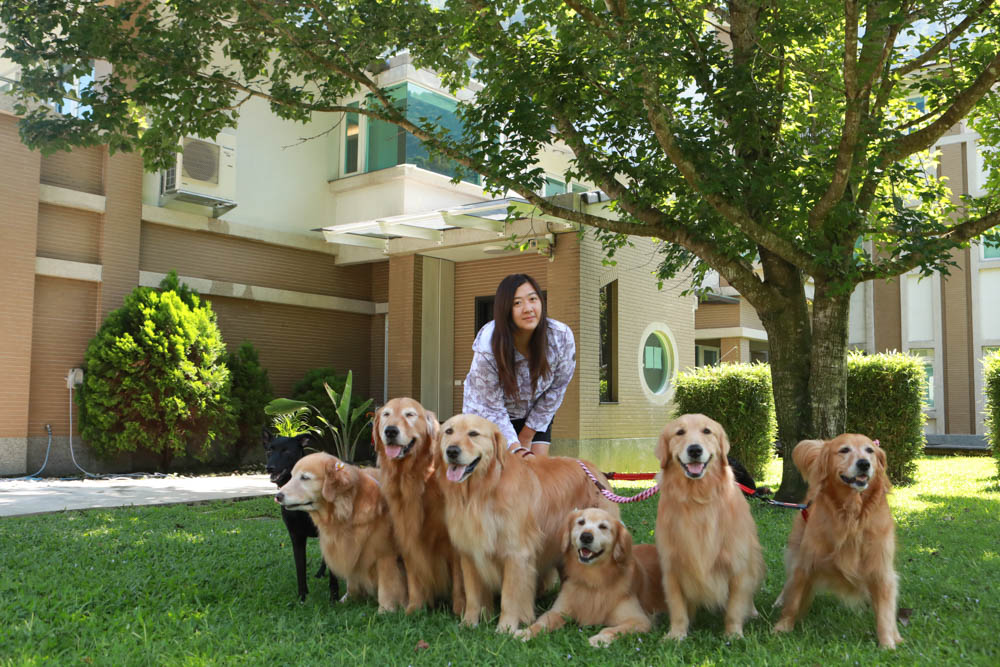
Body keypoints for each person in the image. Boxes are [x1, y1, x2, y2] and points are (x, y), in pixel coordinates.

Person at [463, 273, 576, 457]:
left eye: (533, 299)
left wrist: (527, 435)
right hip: (487, 414)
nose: (528, 308)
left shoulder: (560, 336)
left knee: (537, 472)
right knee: (501, 475)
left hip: (534, 413)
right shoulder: (488, 344)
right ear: (505, 309)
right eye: (517, 303)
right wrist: (516, 448)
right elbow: (492, 407)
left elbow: (557, 387)